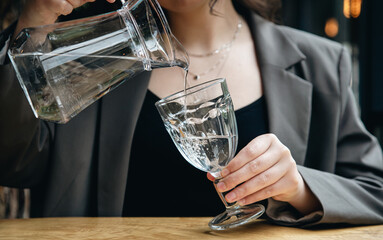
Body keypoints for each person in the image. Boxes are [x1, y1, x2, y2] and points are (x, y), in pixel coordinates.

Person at [0, 0, 382, 228]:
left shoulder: (320, 63)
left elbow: (375, 192)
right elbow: (14, 162)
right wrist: (34, 23)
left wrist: (299, 188)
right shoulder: (90, 61)